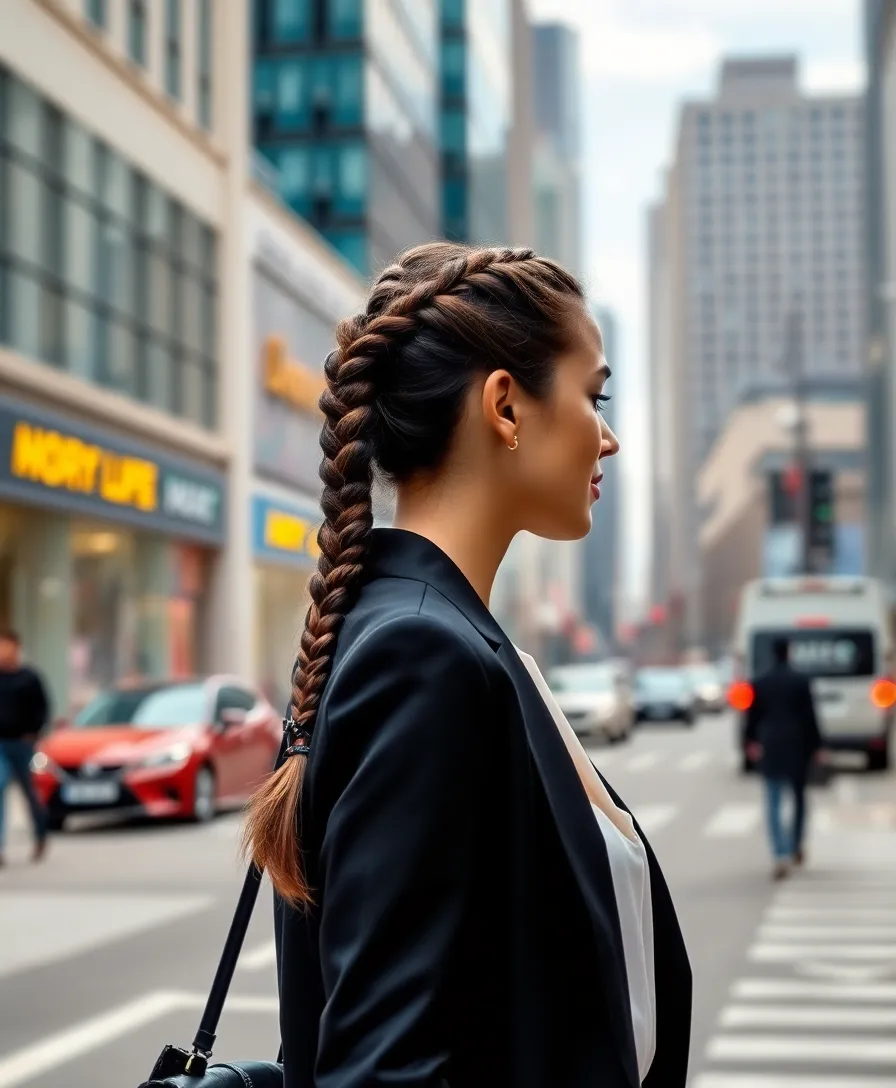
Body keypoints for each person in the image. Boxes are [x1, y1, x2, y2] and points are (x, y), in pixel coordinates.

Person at [244, 242, 692, 1088]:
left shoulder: (436, 637)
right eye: (594, 396)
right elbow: (384, 1071)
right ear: (506, 407)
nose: (611, 437)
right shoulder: (423, 656)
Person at [745, 636, 823, 881]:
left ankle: (780, 854)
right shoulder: (800, 681)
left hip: (771, 746)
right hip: (797, 747)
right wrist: (818, 746)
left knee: (774, 802)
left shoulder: (760, 681)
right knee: (799, 798)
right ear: (789, 653)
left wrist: (749, 742)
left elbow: (752, 718)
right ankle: (796, 844)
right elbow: (811, 717)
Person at [0, 629, 50, 865]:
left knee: (29, 792)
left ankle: (40, 835)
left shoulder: (29, 677)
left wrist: (33, 733)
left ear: (15, 647)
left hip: (21, 743)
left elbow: (42, 708)